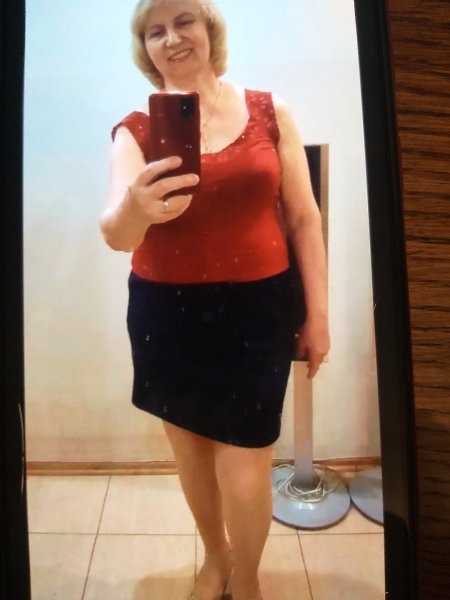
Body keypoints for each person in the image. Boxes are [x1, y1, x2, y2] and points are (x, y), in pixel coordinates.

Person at [100, 1, 330, 598]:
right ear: (145, 48)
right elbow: (115, 233)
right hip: (166, 314)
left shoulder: (269, 110)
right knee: (193, 456)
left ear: (209, 30)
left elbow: (304, 219)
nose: (172, 38)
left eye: (184, 21)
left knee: (247, 468)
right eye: (155, 31)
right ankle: (216, 556)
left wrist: (318, 315)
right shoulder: (136, 130)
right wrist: (137, 208)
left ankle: (247, 579)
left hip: (257, 312)